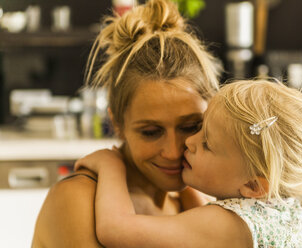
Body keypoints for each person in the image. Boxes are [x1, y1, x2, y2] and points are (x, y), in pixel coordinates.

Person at [74, 79, 302, 248]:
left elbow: (115, 230)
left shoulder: (224, 225)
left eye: (207, 143)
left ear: (252, 185)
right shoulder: (284, 204)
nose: (189, 143)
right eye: (199, 128)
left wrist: (111, 165)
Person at [32, 0, 222, 247]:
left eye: (190, 127)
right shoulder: (78, 199)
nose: (174, 151)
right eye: (151, 132)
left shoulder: (190, 203)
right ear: (117, 124)